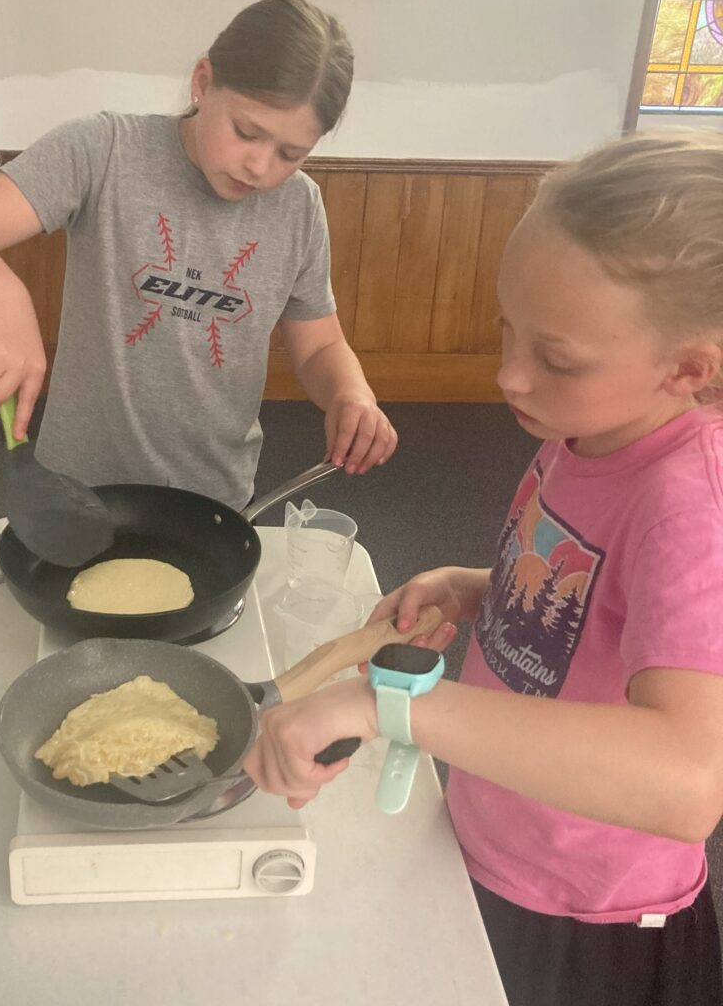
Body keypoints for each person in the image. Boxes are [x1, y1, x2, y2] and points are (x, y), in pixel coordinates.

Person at [243, 132, 723, 1006]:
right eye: (508, 329)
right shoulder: (590, 427)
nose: (508, 374)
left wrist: (386, 706)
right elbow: (592, 602)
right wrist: (480, 587)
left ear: (689, 369)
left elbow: (688, 780)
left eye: (557, 358)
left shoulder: (691, 504)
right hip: (500, 839)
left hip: (586, 922)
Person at [0, 0, 396, 511]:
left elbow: (319, 347)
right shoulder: (105, 149)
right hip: (80, 486)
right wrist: (1, 295)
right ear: (203, 82)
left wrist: (351, 394)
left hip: (214, 498)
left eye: (290, 153)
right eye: (247, 132)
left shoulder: (299, 206)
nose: (260, 166)